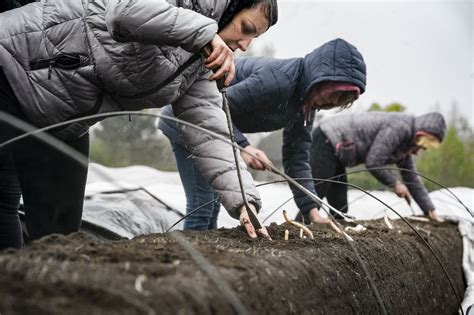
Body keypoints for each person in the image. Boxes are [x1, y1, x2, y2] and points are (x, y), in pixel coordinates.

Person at [0, 0, 278, 249]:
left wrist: (244, 202)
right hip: (12, 67)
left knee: (59, 234)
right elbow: (123, 12)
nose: (245, 44)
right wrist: (203, 33)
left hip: (62, 115)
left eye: (254, 37)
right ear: (228, 8)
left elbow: (209, 128)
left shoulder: (201, 62)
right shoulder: (184, 8)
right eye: (246, 28)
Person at [158, 38, 367, 230]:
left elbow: (297, 158)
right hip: (187, 120)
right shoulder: (278, 81)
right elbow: (214, 107)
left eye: (339, 101)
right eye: (333, 94)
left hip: (212, 131)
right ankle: (189, 267)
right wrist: (243, 147)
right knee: (202, 204)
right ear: (321, 79)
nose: (331, 103)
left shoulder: (307, 104)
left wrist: (312, 210)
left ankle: (203, 262)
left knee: (212, 206)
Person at [301, 111, 446, 223]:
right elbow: (374, 162)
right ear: (422, 132)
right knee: (315, 197)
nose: (425, 146)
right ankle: (296, 232)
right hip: (327, 138)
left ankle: (332, 246)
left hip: (337, 152)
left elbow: (411, 177)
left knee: (340, 207)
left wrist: (429, 209)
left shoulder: (406, 143)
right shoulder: (400, 128)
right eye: (428, 141)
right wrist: (395, 183)